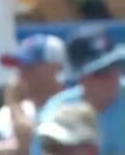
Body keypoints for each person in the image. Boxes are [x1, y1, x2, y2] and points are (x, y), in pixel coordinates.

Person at [31, 27, 125, 155]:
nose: (113, 76)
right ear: (81, 78)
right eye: (101, 72)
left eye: (117, 65)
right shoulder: (55, 112)